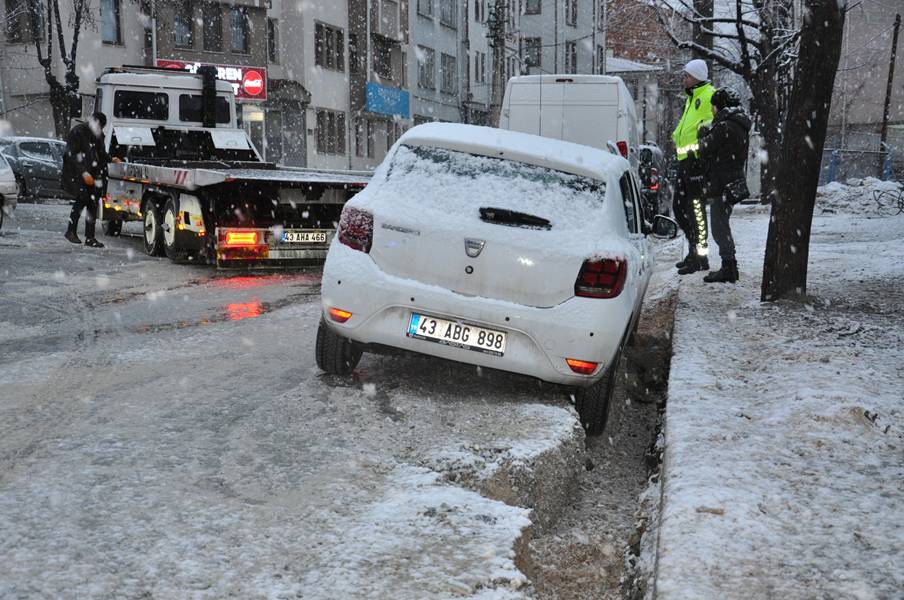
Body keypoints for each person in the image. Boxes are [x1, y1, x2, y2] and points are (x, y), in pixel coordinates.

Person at [695, 88, 752, 283]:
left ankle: (729, 267)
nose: (712, 110)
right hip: (732, 181)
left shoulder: (725, 126)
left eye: (713, 106)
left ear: (720, 106)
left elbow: (704, 149)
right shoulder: (739, 125)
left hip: (722, 183)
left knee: (719, 227)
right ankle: (729, 267)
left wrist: (702, 135)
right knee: (722, 224)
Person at [671, 59, 716, 275]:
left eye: (688, 76)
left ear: (697, 77)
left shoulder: (708, 95)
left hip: (696, 162)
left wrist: (701, 151)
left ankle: (699, 256)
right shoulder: (692, 97)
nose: (684, 79)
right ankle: (695, 252)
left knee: (695, 209)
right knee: (680, 208)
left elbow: (711, 124)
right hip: (685, 160)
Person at [62, 112, 110, 248]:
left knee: (92, 204)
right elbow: (71, 155)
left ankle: (90, 237)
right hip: (78, 174)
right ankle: (71, 231)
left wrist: (111, 158)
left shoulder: (98, 133)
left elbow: (101, 153)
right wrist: (83, 173)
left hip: (94, 173)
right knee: (81, 201)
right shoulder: (78, 132)